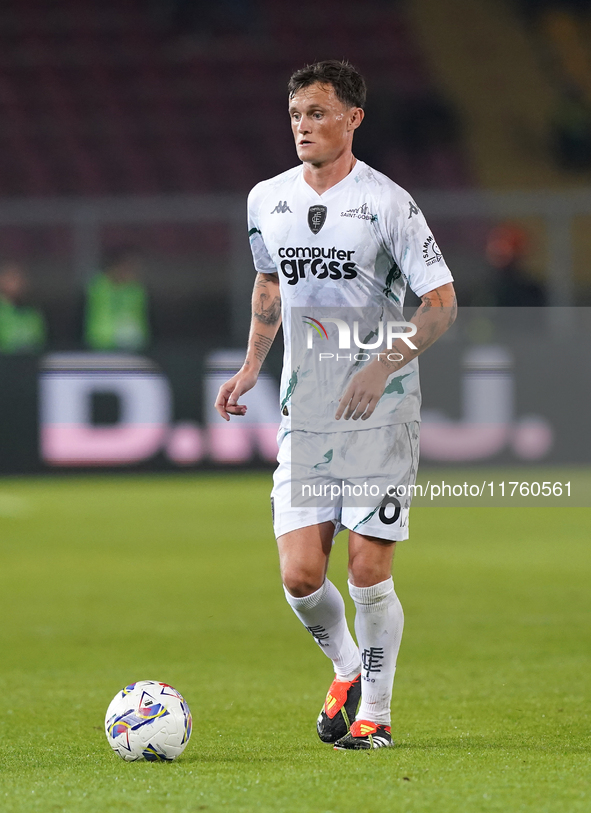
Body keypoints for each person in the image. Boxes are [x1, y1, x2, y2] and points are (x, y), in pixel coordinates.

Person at [215, 60, 457, 750]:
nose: (303, 127)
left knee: (366, 569)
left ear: (353, 119)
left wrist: (382, 366)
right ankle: (346, 668)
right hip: (306, 408)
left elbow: (439, 305)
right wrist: (250, 366)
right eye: (296, 114)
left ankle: (376, 715)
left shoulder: (387, 203)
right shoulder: (267, 198)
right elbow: (269, 283)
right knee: (298, 576)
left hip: (380, 409)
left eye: (318, 113)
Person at [83, 246, 151, 351]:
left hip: (132, 344)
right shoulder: (98, 286)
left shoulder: (136, 290)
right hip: (101, 344)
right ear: (116, 266)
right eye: (129, 267)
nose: (133, 273)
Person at [0, 261, 46, 353]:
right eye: (12, 278)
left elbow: (39, 343)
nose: (17, 283)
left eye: (20, 279)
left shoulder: (33, 314)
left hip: (28, 363)